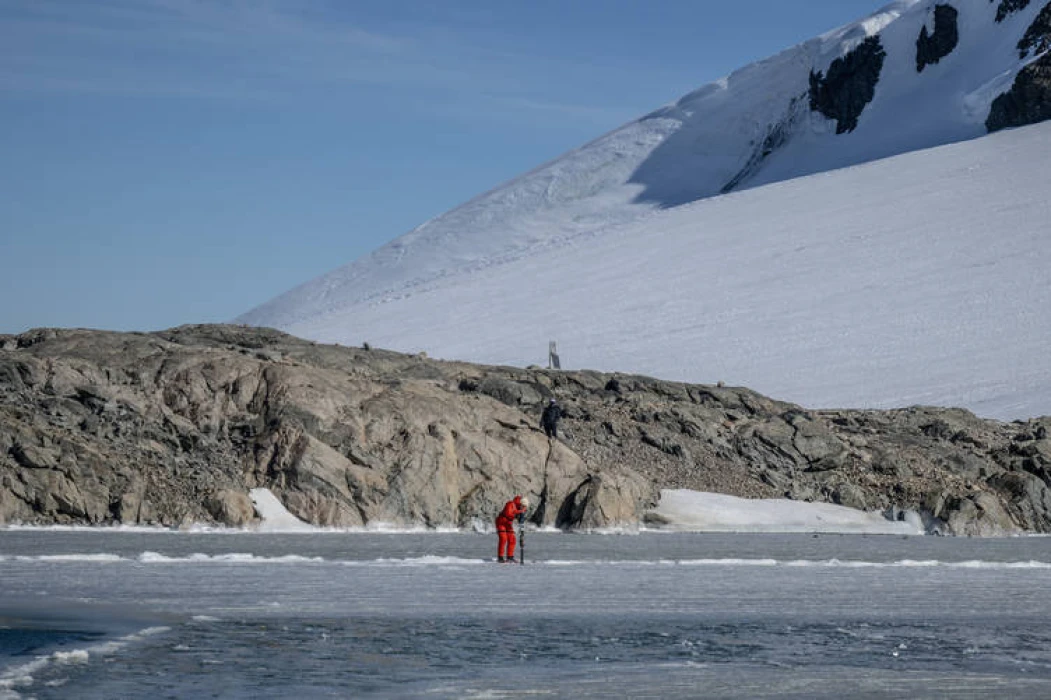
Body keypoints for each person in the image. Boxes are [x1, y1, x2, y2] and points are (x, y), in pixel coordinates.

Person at [495, 494, 529, 563]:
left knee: (512, 539)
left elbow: (520, 520)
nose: (523, 508)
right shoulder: (510, 504)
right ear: (521, 503)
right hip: (501, 522)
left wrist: (521, 526)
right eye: (523, 506)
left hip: (508, 524)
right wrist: (519, 513)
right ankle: (500, 557)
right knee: (503, 538)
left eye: (525, 507)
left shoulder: (520, 509)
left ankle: (510, 557)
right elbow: (508, 513)